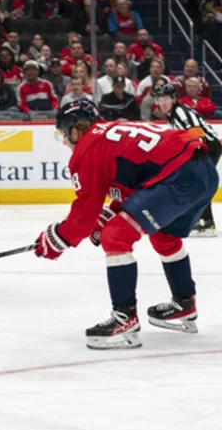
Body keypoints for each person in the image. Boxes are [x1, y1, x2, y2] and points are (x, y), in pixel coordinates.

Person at [34, 99, 218, 349]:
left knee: (115, 237)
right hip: (203, 170)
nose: (65, 141)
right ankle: (184, 304)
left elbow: (84, 215)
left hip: (177, 176)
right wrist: (113, 210)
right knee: (164, 236)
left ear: (75, 131)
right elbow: (142, 177)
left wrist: (57, 238)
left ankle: (125, 318)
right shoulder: (111, 133)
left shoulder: (86, 148)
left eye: (63, 134)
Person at [155, 83, 221, 236]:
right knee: (197, 184)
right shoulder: (172, 114)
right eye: (160, 100)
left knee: (199, 184)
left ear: (173, 99)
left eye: (166, 99)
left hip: (207, 147)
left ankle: (206, 220)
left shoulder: (181, 112)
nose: (163, 103)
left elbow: (198, 136)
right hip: (200, 147)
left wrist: (196, 158)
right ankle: (204, 219)